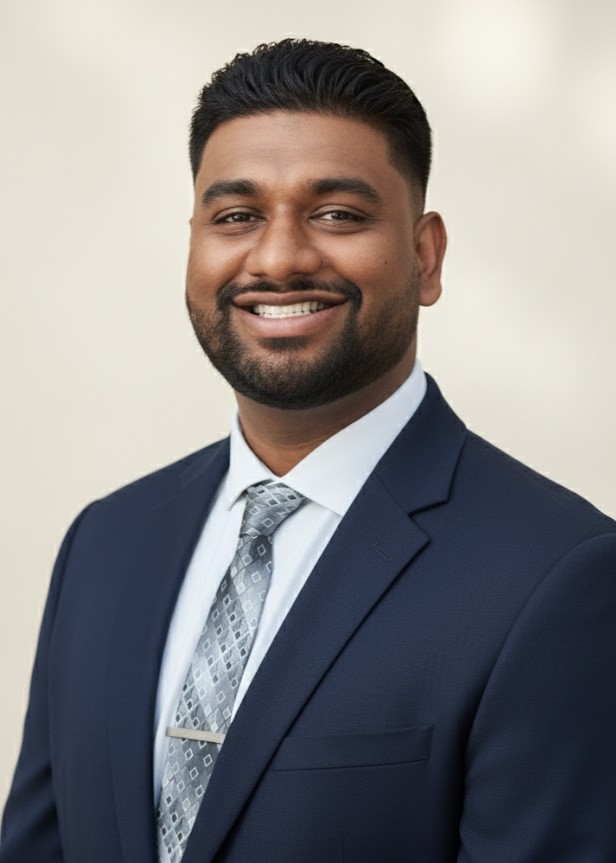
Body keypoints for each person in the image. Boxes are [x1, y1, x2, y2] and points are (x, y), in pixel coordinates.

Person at [1, 38, 615, 863]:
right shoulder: (105, 542)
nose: (280, 256)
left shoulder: (560, 574)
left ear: (426, 257)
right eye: (236, 216)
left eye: (337, 214)